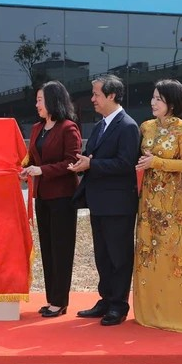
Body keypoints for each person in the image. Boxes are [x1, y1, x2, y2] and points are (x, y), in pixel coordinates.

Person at [69, 74, 140, 326]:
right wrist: (82, 163)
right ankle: (106, 299)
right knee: (102, 255)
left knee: (119, 256)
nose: (92, 99)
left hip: (118, 204)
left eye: (96, 94)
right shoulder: (100, 126)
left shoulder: (128, 126)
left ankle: (118, 305)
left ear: (111, 95)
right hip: (99, 201)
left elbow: (126, 163)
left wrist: (93, 164)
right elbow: (93, 156)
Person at [133, 79, 182, 332]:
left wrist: (157, 162)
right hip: (148, 200)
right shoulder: (146, 127)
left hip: (171, 203)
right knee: (147, 252)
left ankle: (173, 314)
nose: (153, 102)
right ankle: (147, 312)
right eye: (153, 97)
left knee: (170, 255)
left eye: (159, 98)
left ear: (172, 102)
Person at [21, 81, 81, 318]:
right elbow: (32, 157)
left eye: (40, 100)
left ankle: (60, 301)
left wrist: (42, 170)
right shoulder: (38, 128)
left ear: (52, 100)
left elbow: (72, 162)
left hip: (63, 197)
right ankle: (51, 298)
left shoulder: (68, 128)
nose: (37, 105)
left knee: (61, 248)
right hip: (43, 196)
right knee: (47, 248)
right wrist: (25, 169)